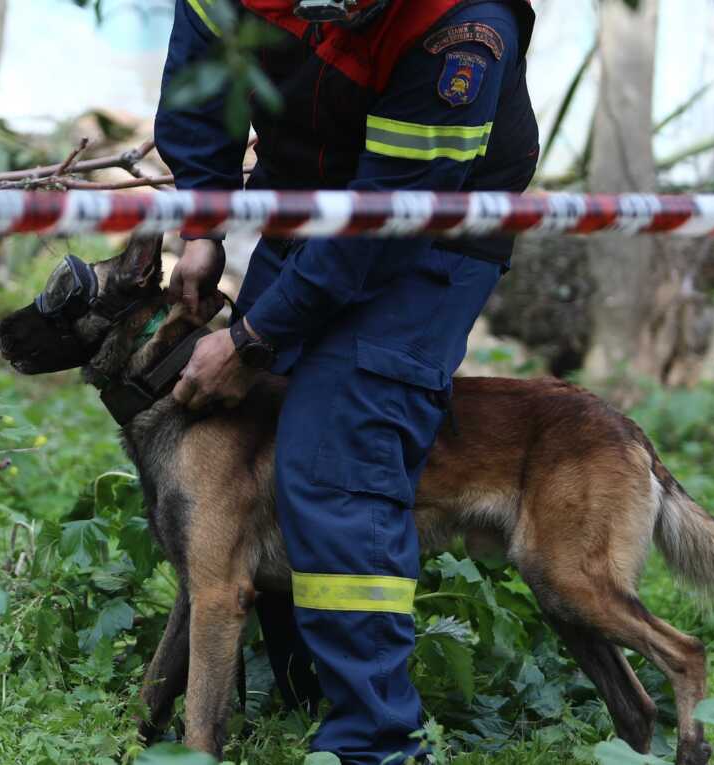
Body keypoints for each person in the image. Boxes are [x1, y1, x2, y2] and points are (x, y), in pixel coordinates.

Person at [155, 1, 538, 761]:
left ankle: (375, 741)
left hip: (430, 228)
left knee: (336, 450)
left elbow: (388, 215)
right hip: (306, 207)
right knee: (250, 444)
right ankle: (302, 691)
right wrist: (202, 223)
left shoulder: (460, 23)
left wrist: (254, 339)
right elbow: (203, 80)